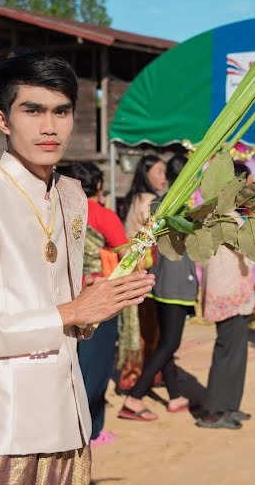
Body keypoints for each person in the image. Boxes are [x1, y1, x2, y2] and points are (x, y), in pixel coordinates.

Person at [0, 52, 154, 484]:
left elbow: (65, 307)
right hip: (9, 430)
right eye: (32, 110)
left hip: (70, 418)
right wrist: (70, 313)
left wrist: (96, 306)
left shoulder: (72, 196)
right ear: (2, 120)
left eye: (61, 111)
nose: (49, 126)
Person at [121, 154, 197, 422]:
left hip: (162, 278)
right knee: (169, 343)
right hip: (175, 281)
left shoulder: (161, 204)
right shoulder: (179, 207)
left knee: (165, 341)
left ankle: (174, 396)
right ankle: (135, 397)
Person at [66, 161, 129, 448]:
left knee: (71, 364)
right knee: (97, 365)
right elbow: (127, 254)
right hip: (98, 297)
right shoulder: (103, 216)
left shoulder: (60, 214)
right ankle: (90, 429)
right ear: (99, 187)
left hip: (64, 297)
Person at [197, 161, 255, 430]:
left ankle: (229, 405)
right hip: (227, 291)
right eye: (249, 183)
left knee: (236, 351)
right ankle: (212, 411)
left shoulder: (229, 211)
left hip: (235, 288)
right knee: (227, 350)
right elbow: (248, 245)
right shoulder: (221, 214)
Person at [117, 155, 168, 392]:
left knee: (138, 326)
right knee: (147, 327)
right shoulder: (149, 201)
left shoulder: (134, 197)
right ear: (146, 174)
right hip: (143, 269)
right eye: (159, 171)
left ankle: (137, 373)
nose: (164, 177)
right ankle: (139, 376)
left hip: (132, 267)